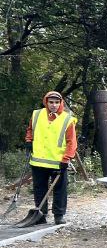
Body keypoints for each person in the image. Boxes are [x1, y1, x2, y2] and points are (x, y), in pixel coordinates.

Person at [21, 91, 77, 226]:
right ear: (46, 102)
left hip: (58, 162)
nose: (53, 105)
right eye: (51, 102)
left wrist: (66, 158)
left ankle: (59, 216)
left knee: (60, 190)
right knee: (39, 188)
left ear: (60, 103)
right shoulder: (36, 114)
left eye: (56, 102)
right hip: (38, 160)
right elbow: (30, 129)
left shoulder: (67, 119)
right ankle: (40, 215)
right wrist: (29, 140)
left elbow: (72, 142)